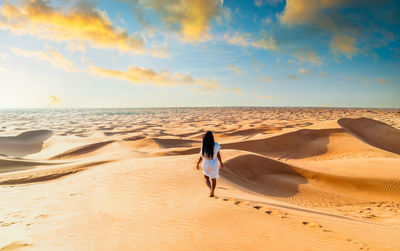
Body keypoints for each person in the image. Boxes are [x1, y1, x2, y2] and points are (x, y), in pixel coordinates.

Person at [196, 131, 223, 197]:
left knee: (206, 178)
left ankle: (210, 188)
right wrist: (221, 163)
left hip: (206, 163)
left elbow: (201, 156)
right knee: (213, 179)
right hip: (214, 163)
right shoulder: (216, 145)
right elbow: (218, 155)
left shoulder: (203, 146)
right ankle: (212, 191)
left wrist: (198, 163)